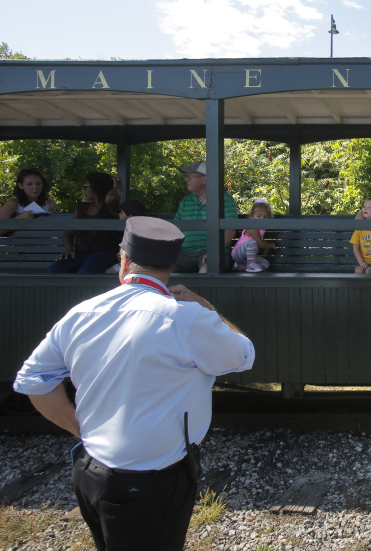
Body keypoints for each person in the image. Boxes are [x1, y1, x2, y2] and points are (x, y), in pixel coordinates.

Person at [13, 216, 254, 551]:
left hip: (89, 470)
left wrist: (80, 429)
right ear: (171, 265)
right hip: (155, 480)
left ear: (123, 260)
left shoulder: (80, 314)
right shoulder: (187, 318)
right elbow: (243, 355)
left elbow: (34, 381)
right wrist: (206, 307)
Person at [48, 171, 121, 274]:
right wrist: (69, 249)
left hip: (104, 254)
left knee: (85, 272)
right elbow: (69, 232)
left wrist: (116, 188)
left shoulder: (109, 207)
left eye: (86, 186)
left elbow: (111, 198)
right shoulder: (82, 207)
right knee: (55, 270)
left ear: (96, 187)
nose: (84, 189)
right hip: (80, 254)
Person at [174, 161, 238, 273]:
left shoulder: (225, 199)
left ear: (204, 179)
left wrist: (213, 252)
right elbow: (174, 230)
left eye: (190, 176)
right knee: (159, 268)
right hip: (185, 255)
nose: (186, 179)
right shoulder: (186, 201)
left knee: (207, 270)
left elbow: (230, 231)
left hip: (215, 254)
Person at [0, 168, 61, 237]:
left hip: (49, 245)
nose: (35, 187)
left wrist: (54, 210)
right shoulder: (14, 203)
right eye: (29, 184)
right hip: (24, 245)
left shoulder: (48, 202)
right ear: (21, 185)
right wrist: (19, 219)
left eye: (38, 184)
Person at [232, 199, 277, 272]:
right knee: (252, 242)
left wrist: (265, 245)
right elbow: (260, 244)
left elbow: (261, 242)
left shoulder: (261, 229)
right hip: (239, 253)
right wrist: (270, 245)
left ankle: (240, 267)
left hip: (248, 257)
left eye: (265, 217)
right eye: (259, 216)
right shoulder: (253, 228)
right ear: (252, 216)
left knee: (265, 263)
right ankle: (251, 265)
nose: (262, 219)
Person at [105, 199, 147, 274]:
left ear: (130, 218)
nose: (119, 215)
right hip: (130, 264)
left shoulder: (137, 235)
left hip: (135, 266)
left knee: (109, 271)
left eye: (121, 213)